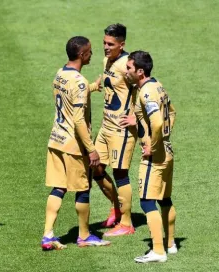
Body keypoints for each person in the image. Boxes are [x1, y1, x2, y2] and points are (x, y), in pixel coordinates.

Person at [41, 36, 111, 250]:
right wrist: (91, 150)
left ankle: (48, 235)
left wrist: (91, 87)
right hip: (73, 145)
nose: (92, 54)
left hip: (56, 140)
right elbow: (79, 119)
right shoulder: (78, 81)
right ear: (82, 54)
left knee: (59, 187)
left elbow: (69, 95)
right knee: (83, 189)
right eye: (89, 51)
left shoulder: (60, 73)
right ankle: (84, 235)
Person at [121, 50, 177, 263]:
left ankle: (158, 251)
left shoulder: (146, 93)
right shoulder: (157, 85)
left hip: (155, 157)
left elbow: (157, 122)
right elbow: (171, 112)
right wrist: (163, 137)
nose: (126, 71)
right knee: (165, 199)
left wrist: (152, 146)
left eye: (129, 68)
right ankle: (170, 244)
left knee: (146, 202)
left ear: (140, 71)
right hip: (168, 152)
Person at [91, 24, 137, 236]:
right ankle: (116, 208)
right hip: (106, 126)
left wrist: (135, 117)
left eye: (111, 44)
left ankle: (126, 224)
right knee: (96, 167)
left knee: (120, 173)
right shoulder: (106, 61)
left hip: (121, 129)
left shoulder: (127, 66)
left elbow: (143, 89)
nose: (106, 47)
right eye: (104, 43)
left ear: (122, 44)